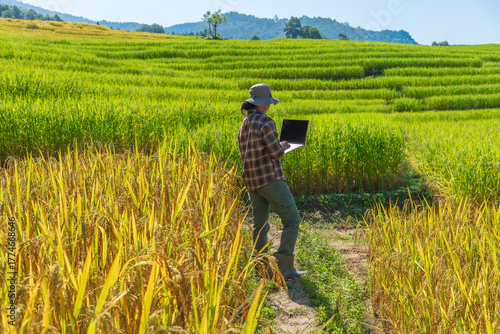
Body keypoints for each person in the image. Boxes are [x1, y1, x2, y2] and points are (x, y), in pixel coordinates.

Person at [238, 83, 305, 280]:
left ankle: (261, 268)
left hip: (251, 182)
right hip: (270, 179)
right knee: (292, 220)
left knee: (260, 225)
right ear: (265, 103)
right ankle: (285, 267)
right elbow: (275, 153)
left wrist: (276, 145)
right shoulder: (266, 121)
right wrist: (283, 145)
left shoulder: (245, 123)